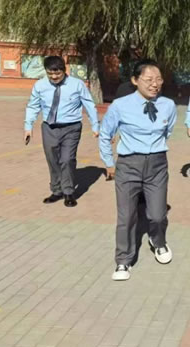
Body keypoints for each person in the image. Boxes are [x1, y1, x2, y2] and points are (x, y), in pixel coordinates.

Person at [99, 60, 177, 281]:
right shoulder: (120, 105)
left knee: (157, 215)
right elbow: (105, 134)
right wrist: (109, 163)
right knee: (126, 216)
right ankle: (123, 260)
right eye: (149, 79)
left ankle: (158, 241)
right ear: (135, 80)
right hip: (128, 165)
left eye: (158, 79)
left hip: (157, 165)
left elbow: (168, 131)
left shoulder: (168, 105)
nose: (155, 84)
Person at [23, 56, 99, 208]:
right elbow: (33, 106)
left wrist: (95, 125)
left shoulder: (77, 85)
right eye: (50, 73)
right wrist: (28, 127)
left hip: (71, 128)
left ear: (64, 70)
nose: (54, 77)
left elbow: (89, 104)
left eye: (57, 73)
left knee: (67, 159)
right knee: (52, 159)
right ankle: (57, 190)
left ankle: (68, 192)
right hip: (49, 128)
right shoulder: (40, 85)